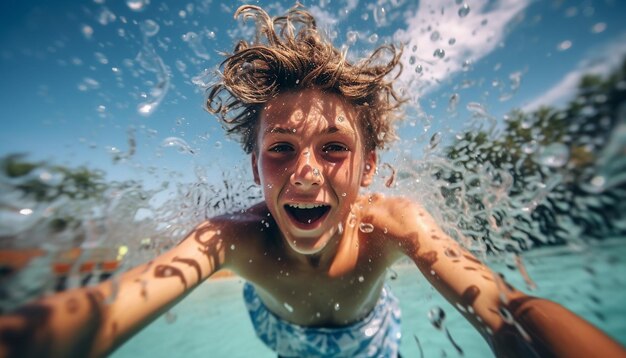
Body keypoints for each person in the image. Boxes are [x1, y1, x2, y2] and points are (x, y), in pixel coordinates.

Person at [1, 4, 625, 358]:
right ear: (254, 167)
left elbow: (504, 309)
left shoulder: (395, 224)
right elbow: (108, 312)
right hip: (277, 330)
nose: (304, 172)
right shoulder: (234, 238)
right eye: (280, 149)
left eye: (333, 148)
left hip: (372, 335)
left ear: (368, 166)